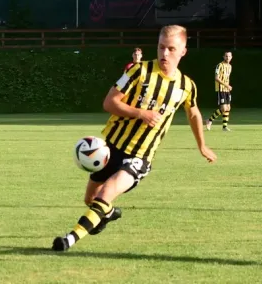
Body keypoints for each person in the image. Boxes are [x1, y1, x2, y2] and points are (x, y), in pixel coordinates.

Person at [51, 25, 217, 252]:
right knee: (91, 200)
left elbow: (194, 113)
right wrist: (141, 113)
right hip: (110, 149)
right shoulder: (139, 72)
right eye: (161, 47)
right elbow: (109, 103)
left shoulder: (186, 86)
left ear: (183, 51)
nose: (164, 53)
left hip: (139, 156)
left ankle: (69, 240)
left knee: (106, 192)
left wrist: (202, 145)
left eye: (171, 48)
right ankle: (108, 214)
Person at [206, 51, 233, 132]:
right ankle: (209, 120)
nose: (227, 58)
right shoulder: (219, 65)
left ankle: (224, 127)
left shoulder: (230, 66)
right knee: (223, 108)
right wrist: (226, 85)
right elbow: (216, 78)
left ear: (231, 57)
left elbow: (227, 78)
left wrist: (228, 87)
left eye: (229, 56)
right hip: (221, 89)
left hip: (226, 89)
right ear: (223, 57)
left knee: (228, 108)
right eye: (226, 56)